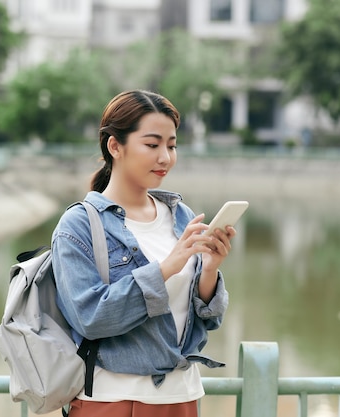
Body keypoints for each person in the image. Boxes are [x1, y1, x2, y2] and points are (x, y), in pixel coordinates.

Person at [51, 90, 236, 417]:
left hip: (182, 397)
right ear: (115, 146)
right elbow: (91, 317)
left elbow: (204, 322)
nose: (165, 157)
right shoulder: (80, 224)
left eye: (172, 145)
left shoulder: (180, 215)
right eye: (152, 145)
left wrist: (208, 270)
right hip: (113, 400)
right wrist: (166, 268)